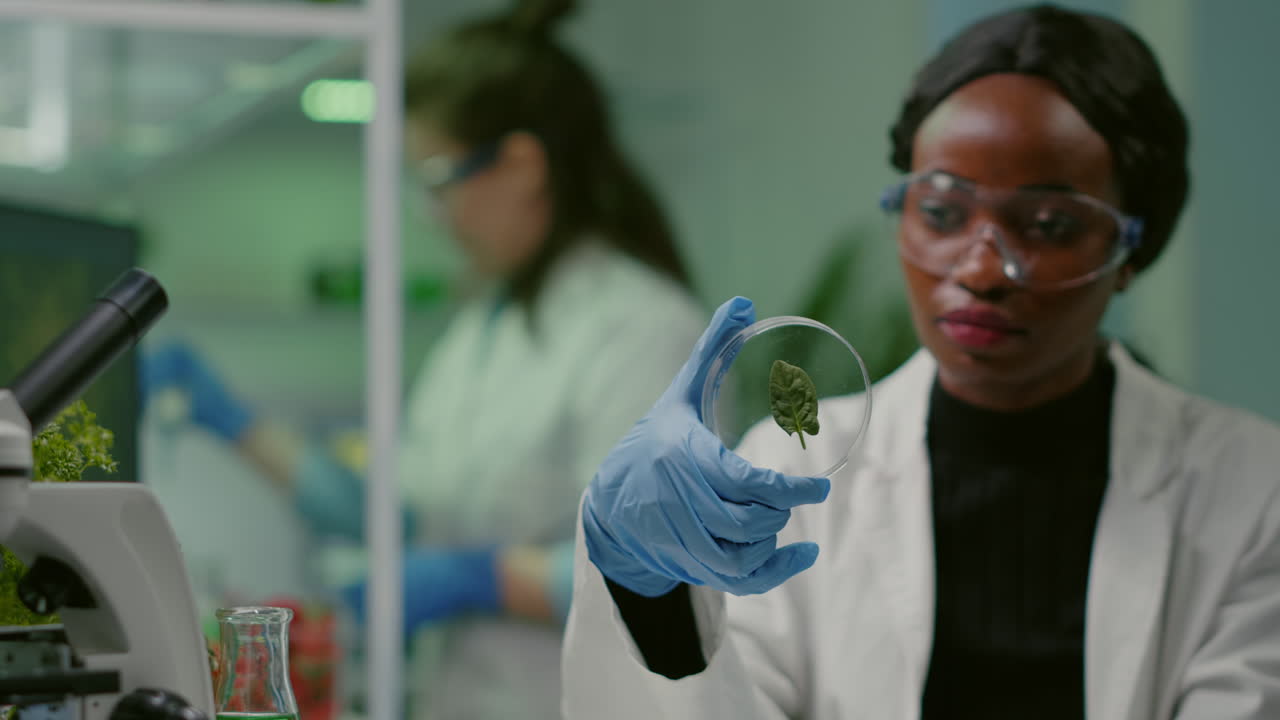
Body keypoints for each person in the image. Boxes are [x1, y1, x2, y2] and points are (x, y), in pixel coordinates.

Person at [563, 5, 1280, 719]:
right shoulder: (797, 465)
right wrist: (646, 586)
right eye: (941, 212)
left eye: (1049, 225)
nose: (980, 268)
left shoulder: (1253, 487)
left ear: (1130, 251)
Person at [144, 0, 706, 717]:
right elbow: (398, 512)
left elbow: (662, 574)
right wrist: (234, 422)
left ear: (524, 165)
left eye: (439, 181)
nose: (431, 213)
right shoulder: (485, 332)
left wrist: (480, 578)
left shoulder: (642, 328)